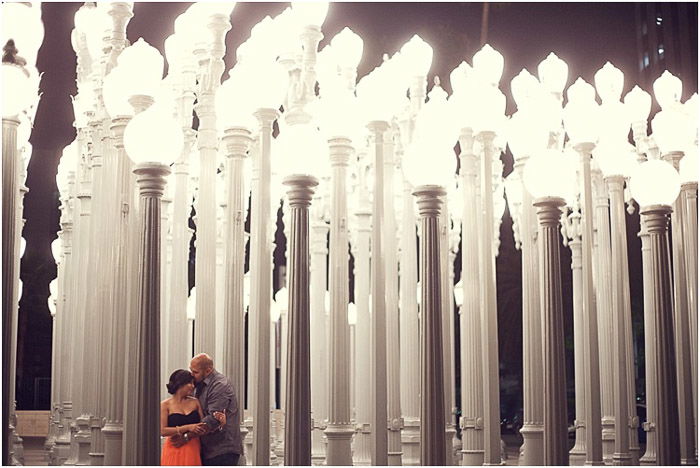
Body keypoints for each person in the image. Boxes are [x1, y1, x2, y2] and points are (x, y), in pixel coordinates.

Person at [171, 353, 244, 466]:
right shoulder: (197, 384)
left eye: (195, 372)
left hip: (221, 449)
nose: (191, 375)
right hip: (204, 448)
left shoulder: (220, 386)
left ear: (208, 370)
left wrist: (186, 436)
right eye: (191, 370)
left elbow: (213, 420)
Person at [160, 369, 226, 466]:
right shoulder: (165, 405)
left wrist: (220, 423)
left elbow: (203, 426)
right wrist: (188, 427)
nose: (193, 386)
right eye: (190, 383)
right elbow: (162, 431)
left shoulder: (195, 402)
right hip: (173, 447)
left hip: (193, 447)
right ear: (180, 383)